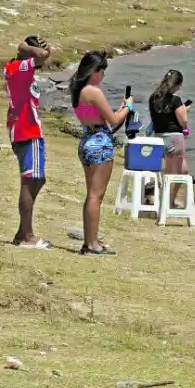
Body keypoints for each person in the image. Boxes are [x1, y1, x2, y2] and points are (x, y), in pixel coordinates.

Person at [70, 51, 134, 256]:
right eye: (102, 71)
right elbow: (114, 120)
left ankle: (90, 240)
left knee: (91, 195)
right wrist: (127, 107)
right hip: (100, 143)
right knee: (96, 196)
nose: (103, 76)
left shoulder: (77, 90)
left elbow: (99, 116)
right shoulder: (94, 91)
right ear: (94, 71)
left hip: (87, 140)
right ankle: (92, 244)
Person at [3, 36, 52, 249]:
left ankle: (22, 231)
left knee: (38, 180)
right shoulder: (18, 67)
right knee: (29, 180)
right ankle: (27, 236)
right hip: (26, 130)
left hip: (27, 129)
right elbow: (41, 56)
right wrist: (28, 47)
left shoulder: (20, 69)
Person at [148, 69, 191, 208]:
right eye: (180, 85)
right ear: (176, 85)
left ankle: (166, 199)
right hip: (174, 138)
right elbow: (183, 121)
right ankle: (167, 203)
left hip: (158, 138)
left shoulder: (153, 98)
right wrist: (185, 110)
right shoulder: (175, 100)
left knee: (183, 171)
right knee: (173, 174)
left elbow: (157, 118)